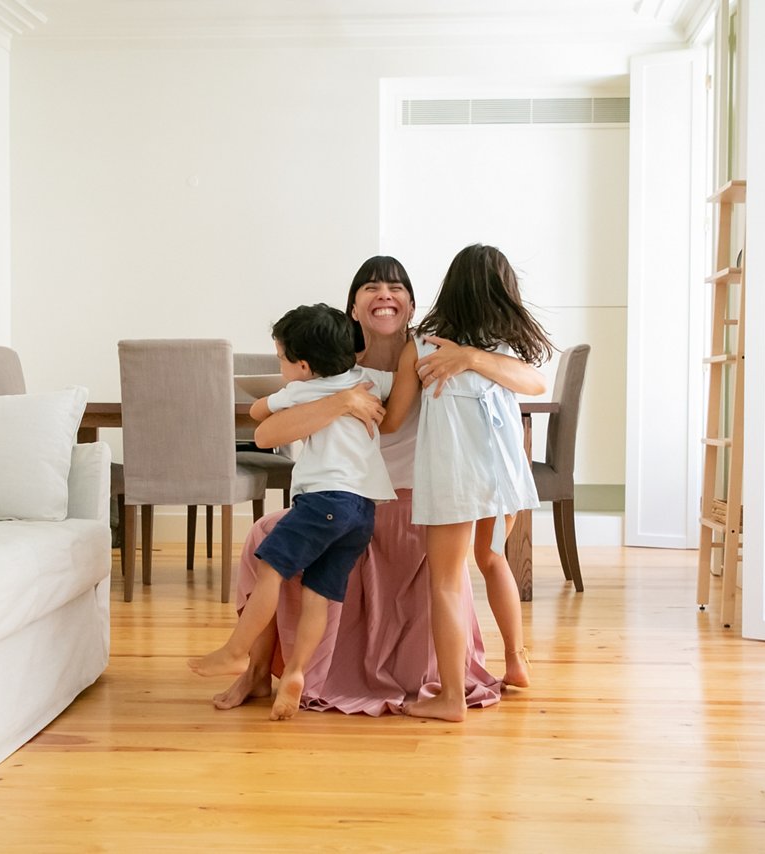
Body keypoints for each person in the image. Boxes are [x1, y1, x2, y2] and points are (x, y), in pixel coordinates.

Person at [210, 255, 527, 716]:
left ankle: (487, 666)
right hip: (349, 502)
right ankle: (258, 672)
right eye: (371, 287)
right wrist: (340, 400)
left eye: (396, 288)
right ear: (353, 308)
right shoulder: (334, 369)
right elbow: (266, 432)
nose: (384, 294)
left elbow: (524, 379)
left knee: (450, 559)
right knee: (264, 533)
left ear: (413, 306)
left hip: (416, 506)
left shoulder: (432, 353)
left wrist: (471, 358)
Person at [189, 303, 396, 720]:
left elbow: (256, 414)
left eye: (280, 358)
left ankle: (236, 651)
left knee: (271, 569)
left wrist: (280, 396)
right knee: (318, 596)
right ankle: (297, 671)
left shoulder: (303, 390)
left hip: (324, 500)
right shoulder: (370, 382)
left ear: (303, 365)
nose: (280, 365)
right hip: (362, 510)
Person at [381, 243, 552, 722]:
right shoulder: (505, 350)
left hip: (456, 476)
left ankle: (452, 696)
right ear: (503, 292)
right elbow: (536, 384)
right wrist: (477, 359)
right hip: (503, 474)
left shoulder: (423, 346)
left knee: (447, 580)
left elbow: (394, 420)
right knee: (492, 558)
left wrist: (354, 404)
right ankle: (516, 661)